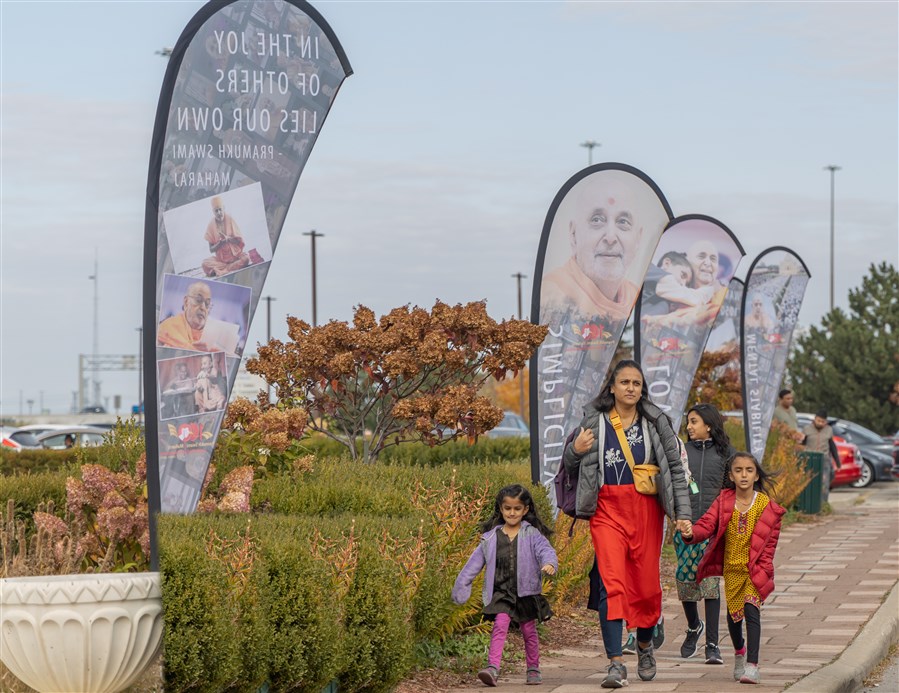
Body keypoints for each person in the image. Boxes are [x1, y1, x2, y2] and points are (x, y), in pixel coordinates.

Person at [562, 359, 692, 688]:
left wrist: (683, 514)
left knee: (646, 589)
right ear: (612, 387)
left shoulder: (656, 422)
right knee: (611, 583)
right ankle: (615, 663)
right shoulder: (593, 421)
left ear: (642, 389)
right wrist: (575, 450)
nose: (631, 388)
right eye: (624, 382)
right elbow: (569, 465)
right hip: (607, 509)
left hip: (646, 510)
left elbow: (676, 470)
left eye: (636, 383)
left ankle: (645, 646)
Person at [682, 452, 785, 685]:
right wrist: (691, 533)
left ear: (756, 475)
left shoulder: (766, 507)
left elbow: (769, 546)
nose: (744, 475)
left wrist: (763, 570)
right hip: (731, 570)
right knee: (733, 617)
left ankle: (752, 665)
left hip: (754, 569)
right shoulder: (723, 500)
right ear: (731, 475)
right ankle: (739, 651)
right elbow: (707, 524)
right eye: (738, 470)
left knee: (751, 610)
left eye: (749, 470)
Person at [452, 484, 558, 687]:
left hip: (526, 592)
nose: (512, 513)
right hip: (501, 592)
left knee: (528, 631)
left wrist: (549, 563)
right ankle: (492, 668)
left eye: (517, 508)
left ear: (525, 510)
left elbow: (546, 550)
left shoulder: (532, 534)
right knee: (500, 626)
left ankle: (533, 667)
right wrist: (462, 584)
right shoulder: (490, 538)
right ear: (501, 509)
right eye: (507, 508)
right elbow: (473, 564)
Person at [676, 404, 735, 664]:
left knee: (710, 585)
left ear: (708, 425)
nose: (689, 427)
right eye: (688, 422)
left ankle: (713, 645)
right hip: (685, 527)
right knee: (685, 582)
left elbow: (733, 490)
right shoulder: (682, 452)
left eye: (694, 421)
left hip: (713, 529)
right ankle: (693, 626)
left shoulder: (727, 453)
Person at [541, 179, 647, 322]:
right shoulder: (552, 297)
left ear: (638, 239)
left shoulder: (639, 301)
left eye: (623, 222)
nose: (610, 237)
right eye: (597, 220)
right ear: (573, 234)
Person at [201, 196, 249, 277]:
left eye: (220, 209)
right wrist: (220, 243)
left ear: (223, 208)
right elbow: (211, 249)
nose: (219, 212)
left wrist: (228, 239)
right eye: (216, 211)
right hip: (221, 261)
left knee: (246, 259)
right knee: (204, 264)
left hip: (236, 256)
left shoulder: (230, 219)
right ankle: (229, 267)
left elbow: (239, 242)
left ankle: (223, 269)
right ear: (213, 212)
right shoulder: (211, 225)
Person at [801, 410, 839, 502]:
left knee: (824, 483)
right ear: (815, 419)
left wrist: (837, 461)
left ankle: (823, 504)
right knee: (808, 482)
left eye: (823, 422)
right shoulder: (807, 429)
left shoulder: (829, 430)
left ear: (826, 422)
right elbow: (802, 444)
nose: (820, 423)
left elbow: (832, 446)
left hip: (824, 459)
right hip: (810, 458)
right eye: (818, 421)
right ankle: (810, 502)